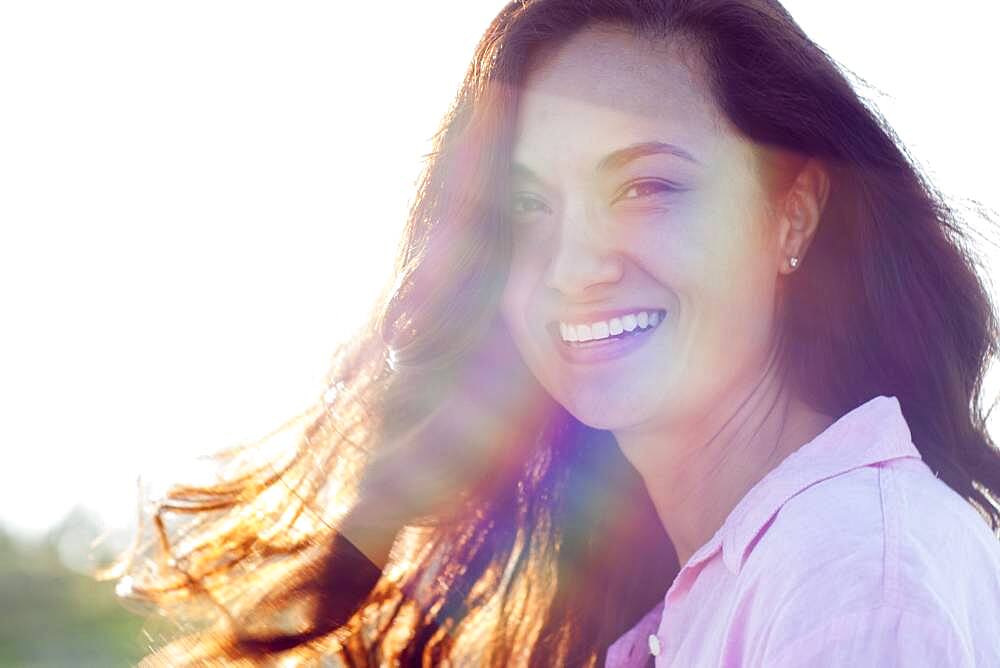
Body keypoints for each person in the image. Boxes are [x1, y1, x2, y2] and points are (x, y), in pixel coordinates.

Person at [106, 1, 1000, 665]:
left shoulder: (851, 570)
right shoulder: (707, 588)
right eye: (528, 203)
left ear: (793, 213)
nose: (574, 263)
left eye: (646, 186)